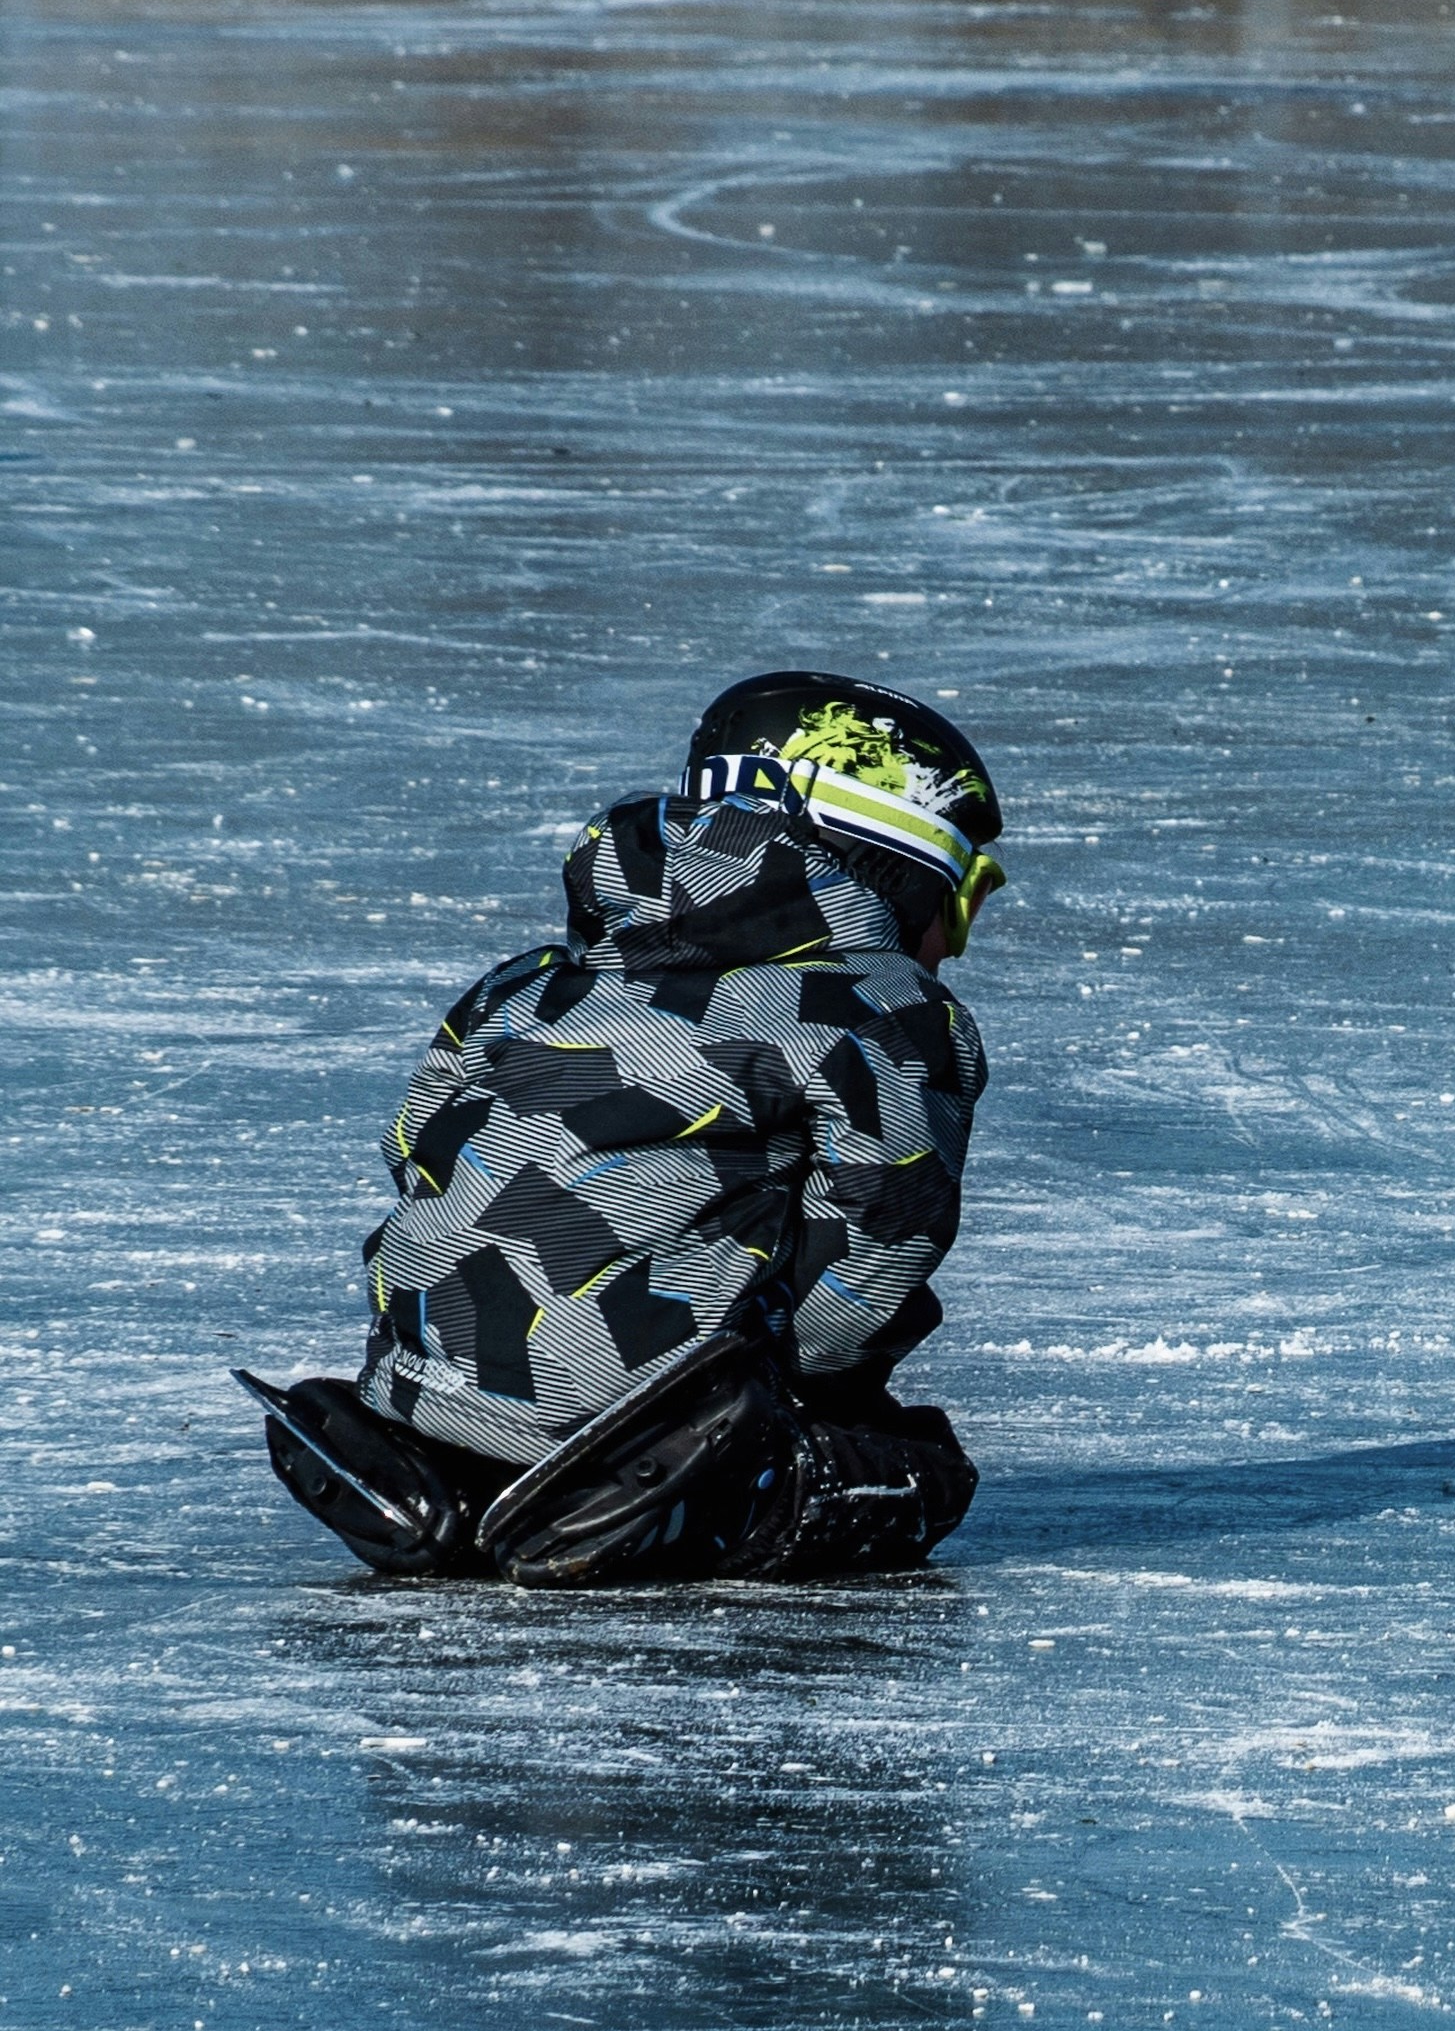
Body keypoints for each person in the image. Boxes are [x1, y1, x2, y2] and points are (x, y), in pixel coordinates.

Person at [241, 674, 1007, 1584]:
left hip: (427, 1394)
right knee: (917, 1466)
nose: (954, 941)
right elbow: (873, 1260)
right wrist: (798, 1395)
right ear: (895, 866)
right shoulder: (889, 1010)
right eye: (966, 895)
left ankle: (457, 1471)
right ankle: (641, 1498)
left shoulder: (526, 980)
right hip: (660, 1425)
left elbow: (417, 1147)